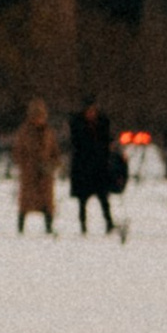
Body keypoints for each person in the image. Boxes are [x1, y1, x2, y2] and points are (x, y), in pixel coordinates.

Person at [67, 97, 124, 236]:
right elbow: (76, 145)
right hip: (83, 168)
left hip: (100, 168)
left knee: (104, 199)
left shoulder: (103, 123)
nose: (91, 113)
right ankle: (83, 226)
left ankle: (109, 224)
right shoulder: (78, 124)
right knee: (82, 201)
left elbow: (108, 142)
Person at [15, 94, 58, 234]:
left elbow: (55, 151)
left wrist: (52, 165)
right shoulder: (24, 132)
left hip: (45, 173)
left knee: (47, 203)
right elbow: (18, 151)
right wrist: (25, 165)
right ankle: (20, 227)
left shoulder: (49, 132)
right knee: (25, 202)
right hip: (29, 173)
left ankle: (49, 227)